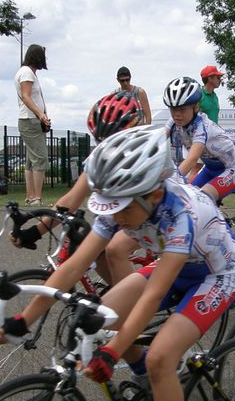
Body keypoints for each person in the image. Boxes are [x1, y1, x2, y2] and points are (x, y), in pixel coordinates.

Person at [0, 127, 235, 401]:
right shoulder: (124, 208)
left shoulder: (180, 216)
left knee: (160, 357)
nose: (113, 216)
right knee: (103, 318)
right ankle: (144, 378)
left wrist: (112, 353)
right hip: (171, 265)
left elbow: (155, 295)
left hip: (212, 276)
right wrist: (24, 320)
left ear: (153, 194)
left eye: (121, 208)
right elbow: (74, 265)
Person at [16, 91, 146, 286]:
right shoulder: (100, 158)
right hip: (120, 217)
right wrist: (35, 232)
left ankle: (134, 305)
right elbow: (71, 200)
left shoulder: (144, 158)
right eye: (101, 142)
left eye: (114, 142)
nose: (107, 150)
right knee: (97, 253)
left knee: (114, 251)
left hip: (154, 219)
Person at [163, 76, 235, 202]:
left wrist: (169, 181)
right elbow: (157, 141)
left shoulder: (201, 126)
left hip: (231, 169)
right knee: (187, 198)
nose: (177, 114)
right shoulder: (174, 120)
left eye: (182, 109)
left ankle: (219, 222)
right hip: (210, 169)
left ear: (196, 107)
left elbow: (192, 159)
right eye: (173, 109)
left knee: (202, 200)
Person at [14, 44, 51, 206]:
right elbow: (26, 96)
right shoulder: (27, 73)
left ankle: (31, 196)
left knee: (31, 161)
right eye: (43, 56)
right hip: (30, 120)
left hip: (29, 120)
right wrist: (41, 114)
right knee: (40, 158)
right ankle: (36, 197)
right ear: (37, 57)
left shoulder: (26, 73)